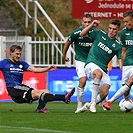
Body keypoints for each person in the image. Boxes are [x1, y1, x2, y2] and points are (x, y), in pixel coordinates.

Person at [0, 44, 75, 113]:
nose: (19, 56)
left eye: (20, 54)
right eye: (17, 54)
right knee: (37, 93)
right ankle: (63, 97)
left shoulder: (22, 64)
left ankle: (40, 108)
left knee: (46, 91)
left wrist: (47, 69)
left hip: (20, 91)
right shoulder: (4, 63)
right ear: (11, 53)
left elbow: (35, 70)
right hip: (13, 89)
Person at [79, 19, 122, 113]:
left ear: (118, 30)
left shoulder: (118, 46)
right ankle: (93, 103)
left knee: (104, 92)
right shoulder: (99, 34)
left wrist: (124, 73)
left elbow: (120, 61)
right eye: (110, 28)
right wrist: (91, 25)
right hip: (91, 64)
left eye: (114, 29)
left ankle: (88, 105)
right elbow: (82, 34)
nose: (111, 31)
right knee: (98, 74)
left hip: (103, 69)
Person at [63, 14, 97, 113]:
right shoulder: (76, 33)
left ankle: (94, 103)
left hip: (92, 61)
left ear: (91, 23)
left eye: (89, 22)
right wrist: (63, 55)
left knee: (99, 81)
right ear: (82, 23)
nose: (87, 24)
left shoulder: (95, 34)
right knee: (82, 81)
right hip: (80, 60)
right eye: (85, 22)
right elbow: (67, 43)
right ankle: (79, 105)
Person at [103, 11, 133, 110]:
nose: (125, 24)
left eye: (126, 22)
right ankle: (127, 104)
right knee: (126, 89)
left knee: (131, 80)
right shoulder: (124, 33)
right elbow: (124, 50)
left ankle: (109, 102)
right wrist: (122, 65)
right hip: (127, 63)